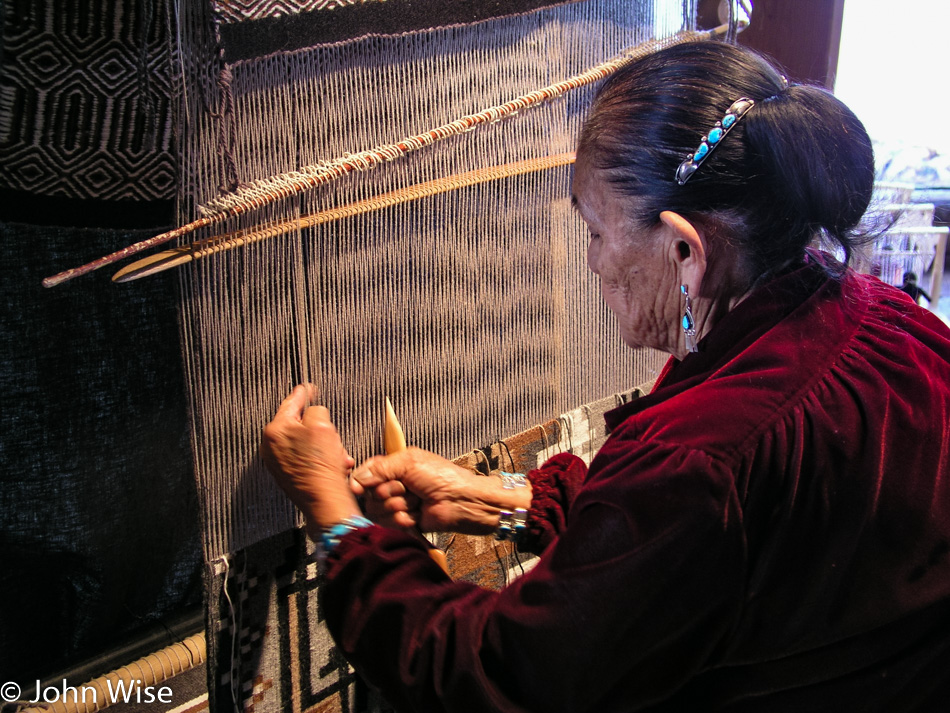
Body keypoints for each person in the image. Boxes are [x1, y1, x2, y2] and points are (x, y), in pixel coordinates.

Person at [260, 41, 950, 712]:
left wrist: (338, 522)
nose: (590, 261)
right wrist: (503, 500)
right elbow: (690, 552)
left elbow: (500, 675)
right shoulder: (897, 324)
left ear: (686, 249)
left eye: (594, 231)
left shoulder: (700, 463)